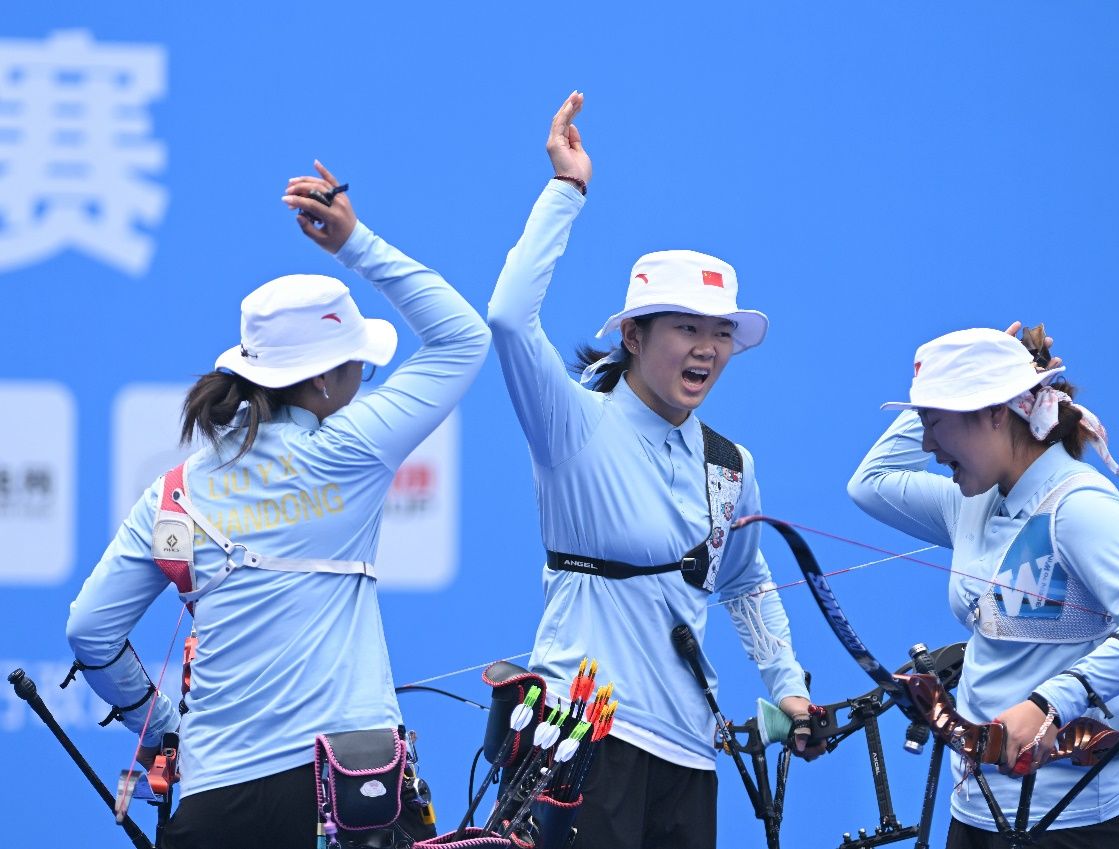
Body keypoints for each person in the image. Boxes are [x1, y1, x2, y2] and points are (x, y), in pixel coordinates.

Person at [64, 161, 491, 849]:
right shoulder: (348, 449)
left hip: (213, 807)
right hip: (346, 796)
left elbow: (90, 631)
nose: (364, 378)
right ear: (321, 379)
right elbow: (464, 338)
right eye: (357, 364)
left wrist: (162, 724)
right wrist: (354, 242)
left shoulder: (173, 493)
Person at [486, 92, 821, 849]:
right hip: (579, 742)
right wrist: (566, 189)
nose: (707, 348)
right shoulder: (572, 422)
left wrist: (788, 687)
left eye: (720, 332)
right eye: (685, 328)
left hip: (689, 754)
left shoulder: (730, 465)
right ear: (633, 336)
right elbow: (507, 317)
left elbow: (744, 578)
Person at [847, 324, 1119, 849]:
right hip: (975, 810)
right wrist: (944, 387)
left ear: (995, 413)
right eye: (922, 421)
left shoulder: (1078, 504)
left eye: (934, 423)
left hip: (1070, 823)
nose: (927, 444)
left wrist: (1049, 702)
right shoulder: (971, 500)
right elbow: (869, 484)